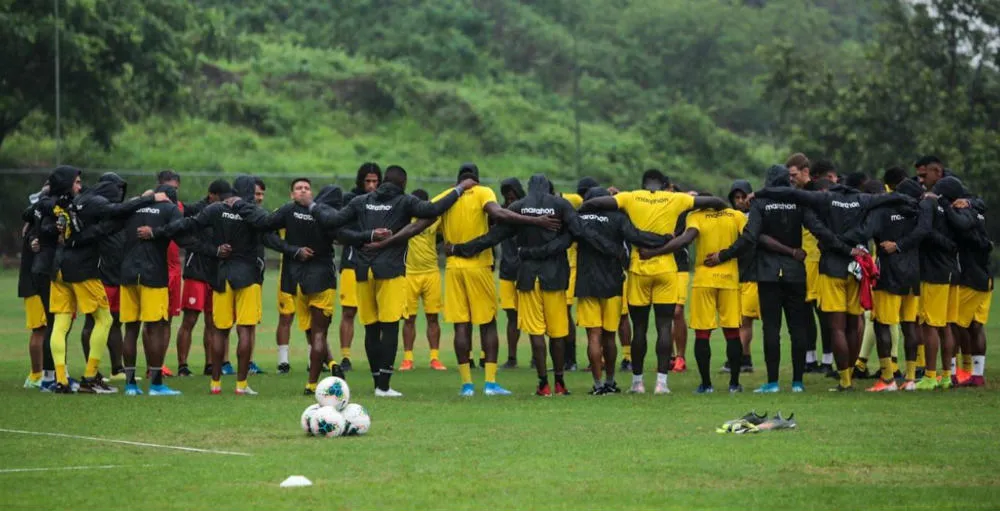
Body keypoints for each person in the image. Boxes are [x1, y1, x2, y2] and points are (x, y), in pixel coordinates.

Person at [300, 165, 471, 396]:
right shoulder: (403, 201)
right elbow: (433, 208)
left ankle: (376, 381)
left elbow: (334, 221)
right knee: (389, 327)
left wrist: (311, 204)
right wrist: (460, 188)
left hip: (362, 271)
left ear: (381, 183)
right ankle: (384, 386)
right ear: (403, 184)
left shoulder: (361, 201)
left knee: (371, 328)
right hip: (389, 271)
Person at [449, 175, 624, 396]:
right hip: (555, 277)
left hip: (528, 278)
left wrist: (459, 249)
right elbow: (579, 232)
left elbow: (493, 237)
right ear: (549, 189)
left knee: (536, 333)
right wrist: (612, 249)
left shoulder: (519, 207)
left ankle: (543, 384)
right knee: (558, 333)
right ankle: (560, 383)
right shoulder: (560, 204)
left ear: (529, 188)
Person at [751, 173, 912, 391]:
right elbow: (891, 198)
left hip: (832, 266)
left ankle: (845, 381)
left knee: (836, 327)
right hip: (856, 268)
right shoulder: (863, 200)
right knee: (854, 324)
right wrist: (916, 200)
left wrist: (759, 193)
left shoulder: (824, 199)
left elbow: (789, 193)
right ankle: (855, 374)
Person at [580, 169, 727, 394]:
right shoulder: (676, 198)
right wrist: (714, 210)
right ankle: (661, 383)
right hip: (666, 270)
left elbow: (594, 203)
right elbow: (716, 201)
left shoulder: (630, 197)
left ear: (644, 184)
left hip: (639, 270)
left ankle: (637, 383)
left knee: (639, 328)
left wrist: (587, 207)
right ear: (664, 184)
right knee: (664, 326)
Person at [433, 163, 561, 396]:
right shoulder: (483, 192)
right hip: (479, 266)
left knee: (460, 326)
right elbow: (498, 213)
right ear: (476, 179)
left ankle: (467, 385)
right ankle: (490, 383)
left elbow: (427, 222)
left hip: (453, 268)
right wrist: (535, 220)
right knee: (488, 323)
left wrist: (445, 245)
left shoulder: (446, 196)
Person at [144, 175, 270, 395]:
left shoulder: (216, 209)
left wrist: (157, 232)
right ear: (250, 192)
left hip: (221, 275)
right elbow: (270, 231)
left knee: (219, 330)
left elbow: (187, 224)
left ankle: (215, 384)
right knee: (245, 329)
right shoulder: (254, 213)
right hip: (247, 276)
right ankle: (241, 385)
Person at [45, 166, 165, 394]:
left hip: (58, 267)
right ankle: (90, 378)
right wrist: (149, 198)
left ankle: (61, 380)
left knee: (61, 323)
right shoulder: (95, 202)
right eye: (77, 181)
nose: (80, 185)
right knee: (105, 320)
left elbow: (97, 228)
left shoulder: (68, 201)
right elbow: (117, 210)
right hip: (81, 268)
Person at [640, 194, 745, 394]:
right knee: (732, 332)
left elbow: (685, 240)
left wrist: (656, 252)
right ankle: (734, 384)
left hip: (704, 280)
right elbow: (748, 239)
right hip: (729, 280)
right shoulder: (736, 215)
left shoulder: (695, 216)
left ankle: (706, 385)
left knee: (702, 333)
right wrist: (727, 256)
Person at [569, 187, 669, 394]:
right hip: (612, 282)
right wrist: (664, 239)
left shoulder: (579, 217)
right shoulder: (617, 217)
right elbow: (637, 236)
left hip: (586, 283)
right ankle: (611, 381)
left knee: (593, 336)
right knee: (609, 335)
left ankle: (597, 385)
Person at [122, 184, 210, 396]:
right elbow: (181, 236)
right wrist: (211, 249)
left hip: (127, 274)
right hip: (153, 275)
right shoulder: (169, 210)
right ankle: (156, 384)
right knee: (155, 328)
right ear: (170, 200)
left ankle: (130, 385)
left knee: (131, 329)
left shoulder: (133, 206)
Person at [845, 177, 928, 391]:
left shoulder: (881, 211)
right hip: (913, 275)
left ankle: (888, 379)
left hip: (888, 274)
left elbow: (864, 233)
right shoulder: (917, 212)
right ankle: (910, 379)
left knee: (882, 324)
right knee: (909, 325)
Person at [176, 180, 230, 377]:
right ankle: (183, 365)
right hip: (196, 270)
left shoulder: (225, 211)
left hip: (215, 272)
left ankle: (210, 364)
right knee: (190, 319)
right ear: (211, 195)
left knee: (212, 321)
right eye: (221, 197)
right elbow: (177, 209)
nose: (224, 201)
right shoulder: (195, 209)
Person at [79, 173, 130, 383]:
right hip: (99, 276)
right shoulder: (94, 210)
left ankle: (117, 368)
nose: (119, 192)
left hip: (118, 276)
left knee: (116, 322)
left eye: (121, 188)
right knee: (92, 323)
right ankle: (92, 369)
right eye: (117, 188)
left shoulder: (119, 212)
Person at [338, 163, 382, 372]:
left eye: (375, 181)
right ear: (361, 181)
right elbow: (341, 228)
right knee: (349, 311)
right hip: (352, 261)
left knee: (376, 312)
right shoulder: (351, 200)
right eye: (368, 181)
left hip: (377, 263)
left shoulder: (384, 201)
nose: (372, 185)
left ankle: (377, 355)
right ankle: (346, 356)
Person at [400, 189, 447, 372]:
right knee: (409, 318)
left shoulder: (434, 220)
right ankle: (407, 359)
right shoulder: (404, 221)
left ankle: (434, 358)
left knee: (432, 317)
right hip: (409, 274)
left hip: (431, 273)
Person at [722, 180, 758, 375]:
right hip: (736, 273)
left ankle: (734, 358)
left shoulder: (756, 216)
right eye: (735, 198)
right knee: (739, 320)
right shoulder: (729, 217)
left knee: (745, 320)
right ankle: (745, 358)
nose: (739, 201)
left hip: (752, 273)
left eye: (743, 197)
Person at [19, 183, 50, 389]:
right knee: (39, 330)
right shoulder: (33, 228)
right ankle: (35, 374)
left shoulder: (35, 223)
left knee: (44, 329)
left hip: (36, 283)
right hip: (33, 284)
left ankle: (41, 373)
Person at [157, 170, 183, 377]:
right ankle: (152, 365)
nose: (170, 191)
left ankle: (160, 363)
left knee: (167, 320)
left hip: (174, 270)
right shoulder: (148, 206)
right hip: (155, 269)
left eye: (173, 188)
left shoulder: (180, 208)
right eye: (166, 187)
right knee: (153, 319)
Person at [497, 178, 526, 368]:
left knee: (532, 317)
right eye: (506, 197)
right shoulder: (499, 212)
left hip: (525, 271)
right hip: (507, 271)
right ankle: (512, 358)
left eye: (512, 196)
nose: (509, 201)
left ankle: (535, 357)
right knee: (511, 316)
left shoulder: (527, 211)